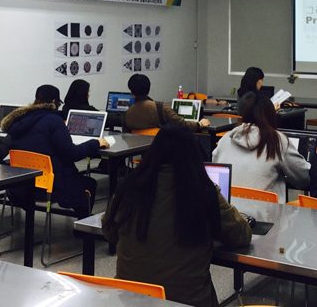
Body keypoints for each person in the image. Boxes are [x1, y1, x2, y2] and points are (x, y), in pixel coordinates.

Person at [103, 123, 251, 307]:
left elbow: (109, 232)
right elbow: (241, 235)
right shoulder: (204, 192)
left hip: (129, 301)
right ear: (193, 154)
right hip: (188, 302)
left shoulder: (128, 188)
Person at [1, 84, 108, 218]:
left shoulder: (19, 120)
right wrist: (94, 143)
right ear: (53, 102)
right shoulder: (54, 121)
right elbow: (71, 154)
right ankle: (83, 226)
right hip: (51, 186)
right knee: (89, 183)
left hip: (22, 184)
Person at [213, 95, 310, 202]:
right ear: (272, 116)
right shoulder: (277, 140)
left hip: (228, 209)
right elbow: (303, 178)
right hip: (263, 211)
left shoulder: (226, 138)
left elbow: (215, 166)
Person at [122, 74, 210, 131]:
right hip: (164, 151)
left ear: (132, 93)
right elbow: (182, 125)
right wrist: (200, 124)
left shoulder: (127, 115)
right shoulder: (160, 107)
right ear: (148, 89)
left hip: (142, 153)